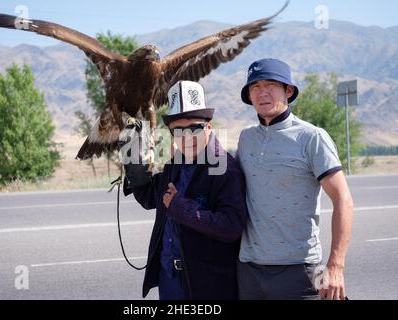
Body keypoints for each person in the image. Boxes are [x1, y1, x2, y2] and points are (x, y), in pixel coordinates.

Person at [237, 58, 354, 300]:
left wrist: (335, 266)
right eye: (255, 86)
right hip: (248, 271)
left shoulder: (312, 137)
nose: (262, 92)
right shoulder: (245, 138)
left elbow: (343, 200)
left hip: (301, 271)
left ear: (288, 90)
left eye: (271, 84)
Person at [120, 80, 248, 300]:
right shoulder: (176, 162)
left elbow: (232, 226)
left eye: (194, 128)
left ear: (208, 126)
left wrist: (182, 208)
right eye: (178, 130)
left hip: (206, 284)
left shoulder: (225, 169)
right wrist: (132, 162)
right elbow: (151, 198)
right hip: (168, 277)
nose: (186, 137)